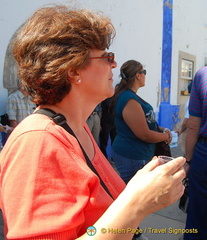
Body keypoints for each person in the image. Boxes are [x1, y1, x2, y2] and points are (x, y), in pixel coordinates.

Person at [0, 5, 186, 240]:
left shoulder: (77, 127)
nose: (114, 65)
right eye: (107, 56)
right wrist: (137, 204)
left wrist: (141, 188)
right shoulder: (38, 142)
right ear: (73, 69)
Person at [110, 60, 172, 183]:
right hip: (133, 156)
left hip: (136, 154)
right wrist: (166, 136)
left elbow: (145, 122)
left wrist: (162, 129)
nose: (145, 75)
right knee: (135, 195)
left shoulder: (131, 97)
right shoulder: (129, 99)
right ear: (138, 75)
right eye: (144, 72)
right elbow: (144, 134)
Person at [184, 66, 207, 240]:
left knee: (198, 218)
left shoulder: (202, 74)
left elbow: (193, 125)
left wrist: (188, 161)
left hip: (204, 154)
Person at [177, 81, 192, 155]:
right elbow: (187, 120)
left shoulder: (190, 101)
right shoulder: (194, 101)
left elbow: (186, 120)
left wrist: (181, 130)